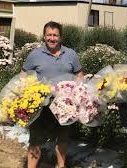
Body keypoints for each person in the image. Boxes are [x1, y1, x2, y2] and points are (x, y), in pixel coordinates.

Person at [22, 21, 84, 168]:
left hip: (64, 105)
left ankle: (60, 165)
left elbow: (79, 74)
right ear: (44, 36)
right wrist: (24, 92)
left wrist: (80, 92)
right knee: (35, 139)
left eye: (55, 35)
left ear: (60, 37)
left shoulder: (71, 54)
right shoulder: (35, 54)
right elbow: (23, 75)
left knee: (63, 138)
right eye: (49, 35)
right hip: (39, 105)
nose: (52, 38)